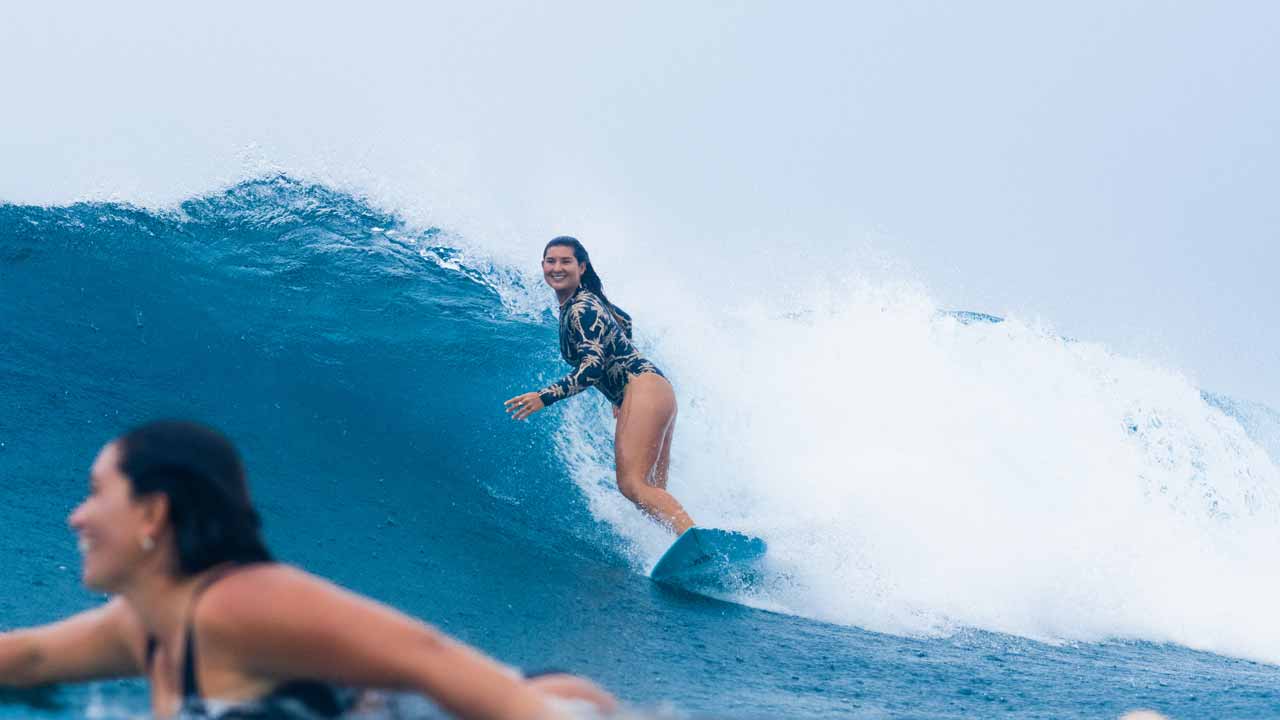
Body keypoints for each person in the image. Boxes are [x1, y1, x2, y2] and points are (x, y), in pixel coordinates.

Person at [0, 420, 615, 719]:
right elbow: (28, 658)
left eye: (94, 492)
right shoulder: (148, 626)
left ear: (153, 513)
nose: (76, 517)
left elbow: (427, 656)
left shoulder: (237, 604)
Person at [505, 237, 695, 535]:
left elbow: (592, 366)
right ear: (542, 266)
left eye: (565, 261)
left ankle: (697, 543)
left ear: (581, 267)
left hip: (643, 388)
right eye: (550, 261)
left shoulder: (579, 307)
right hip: (655, 388)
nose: (557, 267)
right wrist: (619, 395)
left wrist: (544, 396)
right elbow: (625, 322)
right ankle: (692, 546)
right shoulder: (589, 300)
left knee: (632, 485)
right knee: (652, 492)